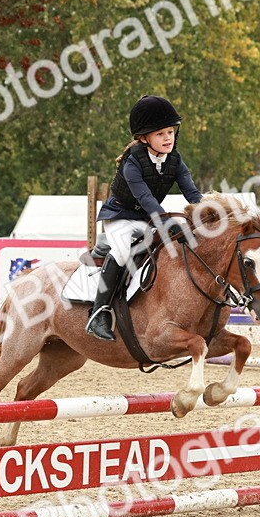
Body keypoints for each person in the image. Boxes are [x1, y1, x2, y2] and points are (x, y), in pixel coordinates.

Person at [87, 95, 202, 341]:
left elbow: (192, 193)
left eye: (170, 132)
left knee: (179, 241)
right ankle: (99, 313)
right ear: (143, 138)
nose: (168, 138)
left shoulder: (175, 160)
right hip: (120, 215)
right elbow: (146, 198)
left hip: (146, 218)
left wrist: (212, 213)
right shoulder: (132, 163)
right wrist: (164, 220)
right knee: (121, 251)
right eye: (160, 134)